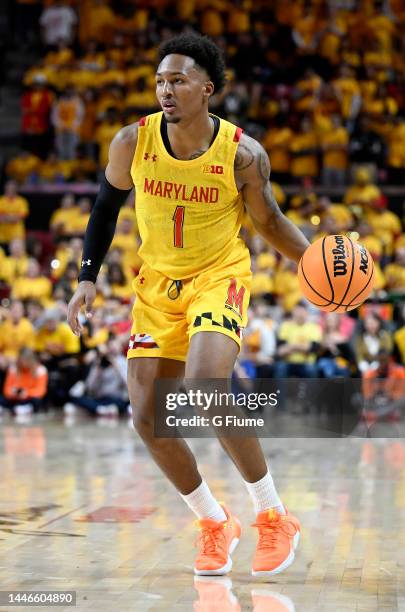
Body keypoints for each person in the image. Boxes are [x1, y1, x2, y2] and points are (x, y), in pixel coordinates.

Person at [67, 33, 309, 578]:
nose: (166, 89)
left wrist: (314, 260)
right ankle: (213, 522)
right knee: (148, 416)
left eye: (178, 79)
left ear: (209, 89)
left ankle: (273, 513)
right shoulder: (132, 142)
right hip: (157, 286)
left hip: (218, 276)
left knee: (204, 385)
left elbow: (269, 222)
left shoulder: (243, 155)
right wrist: (87, 278)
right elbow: (105, 209)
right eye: (160, 80)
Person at [0, 348, 48, 416]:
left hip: (29, 397)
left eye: (26, 360)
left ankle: (25, 409)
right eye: (22, 360)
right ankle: (13, 409)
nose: (24, 363)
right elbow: (6, 389)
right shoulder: (13, 369)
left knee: (37, 400)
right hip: (15, 397)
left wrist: (27, 393)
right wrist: (13, 392)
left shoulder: (40, 370)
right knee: (2, 398)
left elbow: (41, 390)